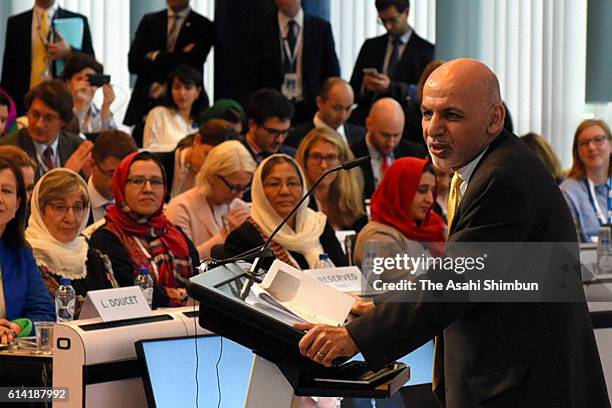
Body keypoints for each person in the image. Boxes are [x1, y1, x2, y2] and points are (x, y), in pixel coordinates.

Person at [296, 58, 609, 408]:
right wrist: (377, 308)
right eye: (427, 113)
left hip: (524, 390)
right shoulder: (483, 168)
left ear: (494, 118)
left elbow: (456, 279)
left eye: (452, 115)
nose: (433, 129)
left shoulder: (503, 177)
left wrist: (355, 337)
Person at [89, 151, 199, 308]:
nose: (148, 189)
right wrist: (184, 296)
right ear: (120, 186)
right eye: (137, 181)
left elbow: (200, 283)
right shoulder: (106, 238)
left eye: (155, 181)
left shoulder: (174, 233)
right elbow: (132, 294)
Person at [224, 154, 347, 270]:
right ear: (259, 190)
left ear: (303, 188)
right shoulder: (243, 238)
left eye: (292, 183)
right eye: (274, 184)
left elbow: (346, 273)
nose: (284, 191)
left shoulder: (317, 225)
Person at [25, 168, 117, 316]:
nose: (71, 218)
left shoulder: (93, 258)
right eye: (60, 207)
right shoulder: (25, 258)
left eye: (77, 208)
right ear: (39, 210)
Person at [124, 0, 214, 135]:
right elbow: (134, 63)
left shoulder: (203, 25)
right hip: (148, 100)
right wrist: (180, 56)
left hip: (187, 105)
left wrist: (156, 56)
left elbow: (192, 64)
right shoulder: (150, 21)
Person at [244, 0, 340, 123]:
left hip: (309, 107)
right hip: (272, 108)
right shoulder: (261, 28)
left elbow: (331, 72)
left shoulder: (320, 28)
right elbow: (251, 74)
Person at [353, 158, 445, 279]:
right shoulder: (377, 237)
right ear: (399, 191)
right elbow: (413, 289)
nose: (430, 199)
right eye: (422, 190)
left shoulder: (431, 227)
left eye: (432, 191)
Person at [1, 0, 95, 116]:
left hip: (62, 103)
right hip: (24, 104)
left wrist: (69, 52)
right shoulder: (16, 23)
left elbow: (91, 64)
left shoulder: (78, 21)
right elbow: (8, 70)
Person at [349, 0, 434, 127]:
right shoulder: (371, 46)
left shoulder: (426, 51)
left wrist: (390, 87)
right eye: (383, 21)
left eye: (393, 20)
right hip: (368, 120)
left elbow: (423, 94)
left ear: (406, 12)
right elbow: (353, 90)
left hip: (407, 124)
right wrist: (365, 86)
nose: (388, 26)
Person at [167, 141, 255, 259]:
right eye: (234, 187)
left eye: (244, 188)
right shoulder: (180, 208)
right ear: (212, 176)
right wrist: (224, 235)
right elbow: (184, 261)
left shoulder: (240, 207)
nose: (240, 195)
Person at [0, 158, 55, 344]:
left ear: (17, 204)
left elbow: (45, 314)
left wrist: (17, 327)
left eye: (6, 191)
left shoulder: (20, 252)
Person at [0, 80, 93, 181]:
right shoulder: (7, 148)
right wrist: (65, 174)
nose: (39, 124)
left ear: (63, 121)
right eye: (35, 114)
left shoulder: (77, 147)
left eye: (48, 118)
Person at [350, 97, 427, 199]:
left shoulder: (415, 154)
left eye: (396, 135)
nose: (391, 143)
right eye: (385, 135)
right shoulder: (351, 157)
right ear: (368, 124)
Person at [295, 128, 367, 231]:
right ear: (305, 160)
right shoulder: (297, 200)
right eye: (316, 156)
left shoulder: (351, 198)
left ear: (342, 161)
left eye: (331, 157)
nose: (323, 165)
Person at [560, 119, 612, 243]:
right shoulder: (568, 192)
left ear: (610, 145)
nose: (591, 147)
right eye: (584, 143)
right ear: (577, 151)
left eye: (598, 140)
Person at [286, 77, 366, 149]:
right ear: (320, 102)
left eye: (348, 108)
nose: (342, 115)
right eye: (337, 108)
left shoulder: (360, 136)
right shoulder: (297, 137)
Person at [143, 65, 207, 152]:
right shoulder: (158, 114)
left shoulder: (203, 121)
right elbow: (149, 150)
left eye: (188, 88)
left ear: (198, 92)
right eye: (177, 87)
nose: (182, 93)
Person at [171, 119, 235, 198]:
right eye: (207, 155)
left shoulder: (216, 179)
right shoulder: (160, 163)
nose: (208, 165)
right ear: (197, 140)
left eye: (217, 161)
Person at [88, 130, 138, 224]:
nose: (120, 183)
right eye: (112, 174)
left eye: (126, 175)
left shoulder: (136, 202)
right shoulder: (74, 201)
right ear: (93, 164)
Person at [61, 52, 116, 136]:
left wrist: (106, 108)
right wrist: (79, 108)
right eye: (79, 79)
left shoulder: (99, 115)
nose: (85, 85)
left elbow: (114, 143)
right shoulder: (59, 113)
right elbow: (65, 141)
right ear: (68, 83)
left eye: (90, 81)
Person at [241, 88, 297, 164]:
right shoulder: (233, 156)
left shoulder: (292, 158)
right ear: (252, 125)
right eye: (272, 132)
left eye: (285, 132)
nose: (279, 140)